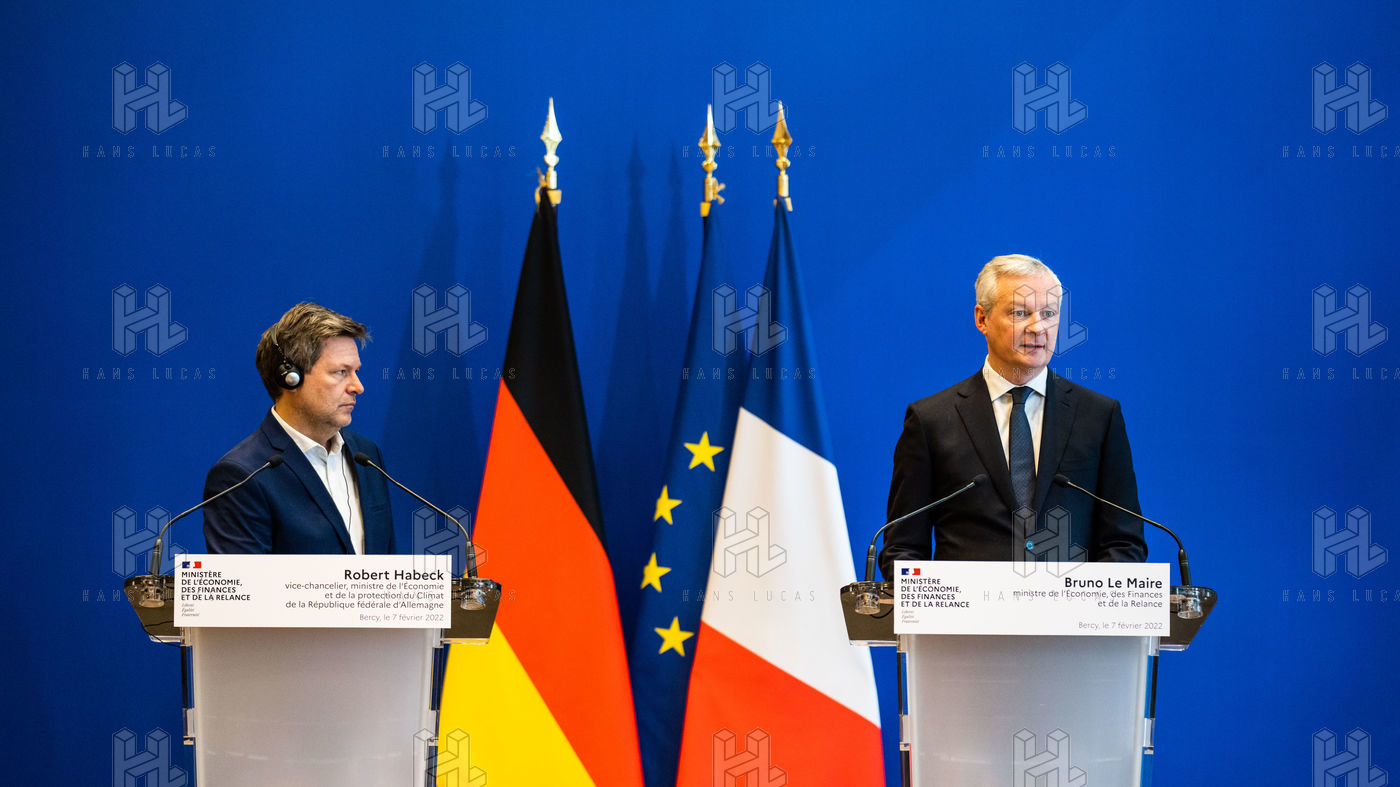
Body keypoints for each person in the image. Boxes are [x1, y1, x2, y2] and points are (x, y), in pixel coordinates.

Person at [879, 255, 1145, 578]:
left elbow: (1124, 542)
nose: (1037, 328)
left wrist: (1089, 601)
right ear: (982, 319)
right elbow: (902, 549)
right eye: (1020, 313)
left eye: (1049, 314)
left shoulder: (1099, 416)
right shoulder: (930, 420)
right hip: (967, 609)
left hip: (1069, 608)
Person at [203, 303, 396, 554]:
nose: (357, 387)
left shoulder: (367, 455)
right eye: (341, 372)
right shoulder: (242, 475)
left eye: (356, 371)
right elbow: (242, 579)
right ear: (290, 378)